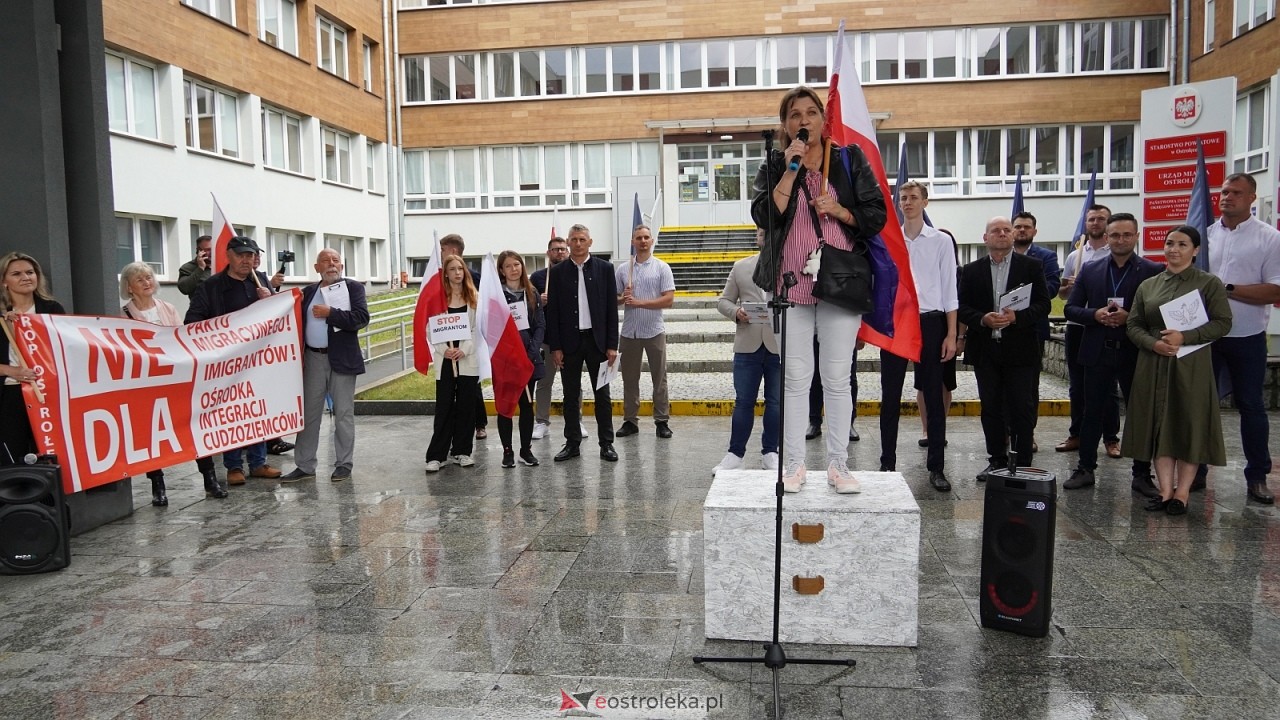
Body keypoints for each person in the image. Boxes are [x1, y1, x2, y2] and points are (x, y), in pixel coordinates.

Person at [750, 85, 886, 494]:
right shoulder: (777, 163)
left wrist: (840, 210)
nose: (803, 120)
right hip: (790, 283)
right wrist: (790, 172)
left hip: (839, 283)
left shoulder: (847, 160)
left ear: (823, 120)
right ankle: (793, 466)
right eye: (794, 114)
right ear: (784, 124)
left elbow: (876, 213)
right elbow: (763, 214)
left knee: (836, 378)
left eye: (811, 112)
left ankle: (838, 465)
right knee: (794, 378)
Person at [1124, 226, 1232, 515]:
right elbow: (1133, 325)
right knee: (1159, 425)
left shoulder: (1208, 283)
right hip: (1153, 364)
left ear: (1195, 250)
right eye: (1170, 243)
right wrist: (1153, 344)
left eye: (1182, 244)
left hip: (1190, 365)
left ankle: (1182, 494)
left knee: (1187, 424)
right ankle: (1164, 490)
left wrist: (1186, 337)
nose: (1174, 249)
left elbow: (1223, 323)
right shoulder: (1149, 285)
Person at [1062, 213, 1162, 494]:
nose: (1120, 240)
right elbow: (1070, 309)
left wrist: (1132, 317)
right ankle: (1085, 468)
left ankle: (1142, 473)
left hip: (1136, 353)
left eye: (1127, 235)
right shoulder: (1091, 270)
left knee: (1140, 413)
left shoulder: (1152, 271)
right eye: (1115, 235)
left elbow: (1160, 314)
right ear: (1106, 238)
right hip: (1098, 351)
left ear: (1136, 237)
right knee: (1092, 411)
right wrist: (1096, 314)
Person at [1198, 173, 1280, 503]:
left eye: (1236, 192)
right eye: (1224, 191)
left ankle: (1257, 477)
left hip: (1246, 335)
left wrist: (1227, 288)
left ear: (1251, 198)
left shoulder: (1269, 238)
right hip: (1204, 335)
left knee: (1251, 406)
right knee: (1201, 406)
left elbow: (1275, 289)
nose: (1227, 197)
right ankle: (1196, 472)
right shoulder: (1203, 235)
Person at [184, 235, 281, 492]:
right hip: (226, 364)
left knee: (257, 409)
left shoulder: (260, 283)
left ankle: (259, 462)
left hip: (258, 362)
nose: (246, 260)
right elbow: (192, 321)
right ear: (228, 255)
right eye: (241, 255)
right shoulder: (212, 286)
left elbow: (277, 320)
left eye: (250, 255)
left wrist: (268, 301)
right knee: (232, 413)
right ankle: (234, 465)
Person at [957, 216, 1051, 480]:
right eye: (995, 231)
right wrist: (982, 319)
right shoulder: (971, 270)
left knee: (1022, 407)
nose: (1001, 234)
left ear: (1012, 236)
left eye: (1006, 230)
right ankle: (996, 460)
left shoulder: (1032, 266)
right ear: (985, 238)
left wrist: (1016, 318)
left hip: (1020, 350)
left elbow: (1043, 304)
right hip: (986, 349)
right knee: (991, 407)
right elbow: (962, 306)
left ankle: (1023, 464)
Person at [881, 180, 957, 491]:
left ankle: (936, 466)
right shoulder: (890, 240)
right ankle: (887, 462)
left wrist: (951, 334)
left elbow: (951, 290)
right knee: (890, 396)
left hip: (931, 321)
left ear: (925, 202)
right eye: (903, 198)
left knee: (933, 396)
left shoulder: (940, 241)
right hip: (898, 322)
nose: (908, 202)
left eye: (914, 197)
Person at [280, 249, 369, 483]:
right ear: (316, 267)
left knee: (343, 414)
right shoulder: (308, 292)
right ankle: (305, 465)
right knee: (309, 415)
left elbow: (361, 318)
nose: (332, 264)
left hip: (341, 359)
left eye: (336, 260)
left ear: (342, 265)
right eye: (326, 261)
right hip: (313, 359)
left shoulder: (353, 289)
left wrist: (332, 314)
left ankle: (343, 464)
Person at [544, 223, 619, 463]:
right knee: (570, 395)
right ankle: (572, 443)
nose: (578, 243)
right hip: (569, 344)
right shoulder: (557, 273)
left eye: (582, 239)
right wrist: (555, 347)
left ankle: (606, 444)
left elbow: (610, 310)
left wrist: (611, 345)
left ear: (590, 242)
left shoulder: (605, 269)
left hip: (597, 343)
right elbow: (553, 313)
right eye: (573, 239)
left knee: (603, 396)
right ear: (568, 242)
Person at [714, 229, 779, 474]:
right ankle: (735, 454)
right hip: (747, 345)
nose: (765, 237)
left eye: (769, 233)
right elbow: (723, 301)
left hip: (778, 344)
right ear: (757, 238)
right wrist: (735, 312)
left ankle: (771, 452)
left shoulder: (788, 267)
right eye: (762, 234)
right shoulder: (741, 267)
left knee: (775, 402)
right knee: (743, 401)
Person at [1057, 204, 1120, 454]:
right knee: (1077, 384)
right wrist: (1070, 286)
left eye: (1101, 219)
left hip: (1105, 325)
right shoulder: (1076, 256)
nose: (1096, 223)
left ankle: (1111, 438)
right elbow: (1062, 295)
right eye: (1091, 219)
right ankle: (1077, 433)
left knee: (1108, 386)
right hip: (1078, 325)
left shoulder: (1113, 254)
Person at [119, 261, 183, 505]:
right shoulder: (123, 314)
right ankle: (158, 483)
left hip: (173, 377)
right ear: (129, 287)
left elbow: (181, 337)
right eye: (140, 279)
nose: (146, 282)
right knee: (151, 432)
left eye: (148, 277)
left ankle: (209, 478)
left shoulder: (167, 308)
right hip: (146, 381)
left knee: (189, 422)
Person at [0, 253, 65, 468]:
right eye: (16, 274)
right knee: (14, 455)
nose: (26, 277)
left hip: (47, 393)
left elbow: (63, 349)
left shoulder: (52, 309)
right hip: (9, 395)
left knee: (48, 453)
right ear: (4, 281)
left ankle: (49, 500)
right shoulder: (1, 314)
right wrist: (11, 370)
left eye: (30, 272)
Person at [614, 224, 676, 439]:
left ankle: (662, 421)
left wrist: (640, 302)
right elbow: (614, 300)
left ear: (652, 241)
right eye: (638, 237)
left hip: (654, 331)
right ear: (633, 242)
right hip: (629, 333)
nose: (642, 241)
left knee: (660, 378)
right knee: (629, 379)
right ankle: (630, 420)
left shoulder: (662, 268)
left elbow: (668, 300)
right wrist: (624, 298)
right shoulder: (623, 269)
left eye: (646, 237)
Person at [424, 255, 480, 472]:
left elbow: (476, 329)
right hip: (445, 360)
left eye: (460, 269)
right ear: (445, 273)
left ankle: (462, 451)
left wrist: (463, 350)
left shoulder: (473, 297)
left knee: (467, 406)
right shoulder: (438, 300)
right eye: (453, 269)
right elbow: (431, 329)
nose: (457, 273)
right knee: (444, 406)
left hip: (467, 359)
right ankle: (437, 455)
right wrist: (444, 350)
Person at [530, 237, 586, 441]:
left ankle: (577, 421)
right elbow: (527, 307)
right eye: (555, 249)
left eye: (563, 249)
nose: (560, 253)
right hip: (546, 339)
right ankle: (542, 422)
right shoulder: (537, 277)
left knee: (573, 382)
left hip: (570, 338)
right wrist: (538, 301)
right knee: (545, 382)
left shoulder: (576, 274)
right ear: (548, 253)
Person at [495, 250, 544, 468]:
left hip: (529, 358)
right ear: (501, 271)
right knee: (506, 405)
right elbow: (493, 329)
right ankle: (507, 451)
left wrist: (531, 352)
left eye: (517, 264)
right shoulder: (496, 297)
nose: (514, 269)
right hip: (506, 361)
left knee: (527, 404)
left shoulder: (531, 293)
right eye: (509, 266)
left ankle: (526, 450)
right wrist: (510, 354)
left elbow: (540, 325)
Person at [438, 234, 489, 441]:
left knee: (471, 390)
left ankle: (479, 424)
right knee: (447, 398)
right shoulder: (439, 283)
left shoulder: (474, 279)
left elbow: (477, 318)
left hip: (468, 347)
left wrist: (467, 346)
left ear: (453, 251)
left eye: (442, 250)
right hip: (448, 346)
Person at [917, 228, 961, 447]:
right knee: (922, 384)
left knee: (944, 383)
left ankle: (939, 428)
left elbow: (956, 303)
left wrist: (957, 335)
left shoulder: (958, 272)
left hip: (945, 331)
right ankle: (927, 429)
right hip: (924, 329)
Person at [804, 342, 859, 442]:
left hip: (846, 330)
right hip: (816, 330)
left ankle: (848, 424)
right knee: (816, 375)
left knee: (848, 376)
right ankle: (814, 422)